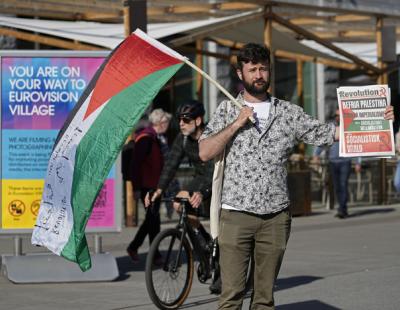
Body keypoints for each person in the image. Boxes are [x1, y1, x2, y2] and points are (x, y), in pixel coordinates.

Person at [198, 43, 394, 309]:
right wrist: (236, 124)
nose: (259, 75)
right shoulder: (227, 110)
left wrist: (378, 120)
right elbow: (205, 152)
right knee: (230, 297)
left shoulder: (287, 112)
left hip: (275, 217)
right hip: (236, 214)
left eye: (263, 69)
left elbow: (327, 133)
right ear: (239, 73)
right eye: (253, 69)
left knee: (264, 299)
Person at [145, 100, 217, 291]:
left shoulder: (212, 135)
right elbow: (170, 165)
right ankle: (203, 246)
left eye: (186, 120)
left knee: (221, 223)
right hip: (200, 177)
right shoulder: (183, 138)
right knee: (179, 203)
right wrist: (158, 190)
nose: (181, 124)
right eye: (179, 120)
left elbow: (213, 170)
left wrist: (202, 192)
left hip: (220, 179)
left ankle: (221, 263)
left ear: (199, 120)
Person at [126, 108, 172, 263]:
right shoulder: (146, 139)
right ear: (160, 122)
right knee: (153, 219)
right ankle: (149, 252)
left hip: (154, 186)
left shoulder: (156, 137)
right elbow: (135, 165)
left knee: (152, 219)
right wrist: (137, 188)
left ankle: (142, 249)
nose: (168, 124)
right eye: (166, 121)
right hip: (147, 187)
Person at [313, 109, 361, 219]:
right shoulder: (331, 127)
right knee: (337, 187)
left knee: (343, 185)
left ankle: (342, 209)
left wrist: (358, 162)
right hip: (333, 161)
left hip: (345, 161)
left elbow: (357, 144)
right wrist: (316, 155)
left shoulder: (350, 126)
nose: (338, 117)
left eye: (340, 115)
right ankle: (341, 207)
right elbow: (322, 141)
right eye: (336, 115)